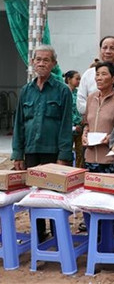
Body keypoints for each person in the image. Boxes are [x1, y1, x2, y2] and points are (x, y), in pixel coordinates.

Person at [11, 45, 72, 241]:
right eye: (38, 59)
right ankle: (39, 235)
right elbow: (19, 123)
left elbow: (65, 125)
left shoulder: (62, 91)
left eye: (46, 60)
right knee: (34, 194)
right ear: (32, 62)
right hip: (31, 151)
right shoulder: (26, 91)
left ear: (54, 64)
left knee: (54, 196)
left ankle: (58, 235)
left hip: (53, 153)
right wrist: (17, 153)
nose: (42, 63)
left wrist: (63, 156)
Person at [82, 62, 114, 173]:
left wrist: (111, 138)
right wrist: (84, 135)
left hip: (109, 159)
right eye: (97, 74)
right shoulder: (91, 98)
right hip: (90, 158)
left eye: (103, 74)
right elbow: (86, 123)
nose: (99, 78)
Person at [78, 36, 114, 115]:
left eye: (112, 48)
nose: (108, 51)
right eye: (104, 48)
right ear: (100, 50)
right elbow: (80, 103)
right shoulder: (88, 74)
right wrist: (98, 112)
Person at [64, 70, 83, 168]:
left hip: (80, 127)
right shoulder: (63, 92)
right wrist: (72, 127)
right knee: (66, 153)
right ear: (69, 79)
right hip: (67, 129)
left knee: (81, 153)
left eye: (80, 79)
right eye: (77, 79)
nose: (79, 81)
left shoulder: (79, 94)